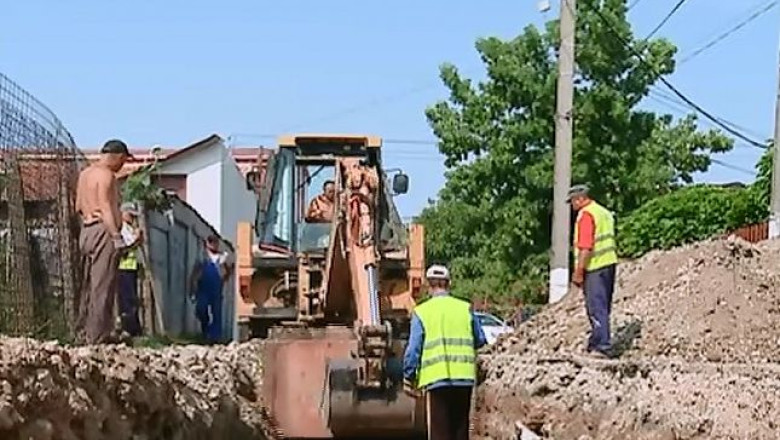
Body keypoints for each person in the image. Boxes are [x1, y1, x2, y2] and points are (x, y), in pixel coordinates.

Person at [403, 264, 487, 440]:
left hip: (437, 381)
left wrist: (409, 376)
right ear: (449, 284)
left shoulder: (422, 312)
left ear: (428, 285)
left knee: (440, 433)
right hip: (464, 380)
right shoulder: (464, 308)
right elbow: (480, 340)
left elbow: (413, 349)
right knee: (460, 431)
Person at [75, 139, 132, 344]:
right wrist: (116, 236)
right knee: (102, 286)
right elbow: (106, 207)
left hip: (87, 231)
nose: (123, 166)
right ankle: (97, 338)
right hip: (103, 232)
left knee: (87, 286)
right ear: (116, 156)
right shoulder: (107, 176)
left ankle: (82, 332)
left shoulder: (84, 175)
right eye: (123, 161)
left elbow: (79, 206)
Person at [568, 184, 618, 359]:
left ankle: (602, 345)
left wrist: (579, 271)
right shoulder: (604, 212)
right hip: (609, 264)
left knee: (596, 307)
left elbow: (585, 246)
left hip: (595, 266)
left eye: (573, 201)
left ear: (580, 199)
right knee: (603, 306)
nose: (572, 206)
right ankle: (596, 340)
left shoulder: (586, 215)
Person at [189, 235, 233, 343]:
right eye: (210, 242)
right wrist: (192, 289)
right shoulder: (202, 256)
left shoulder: (222, 257)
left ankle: (214, 338)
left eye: (215, 242)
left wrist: (223, 280)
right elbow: (194, 273)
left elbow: (229, 270)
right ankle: (206, 330)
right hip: (203, 287)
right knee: (201, 309)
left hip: (216, 288)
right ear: (207, 243)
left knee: (216, 313)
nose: (213, 244)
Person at [117, 202, 144, 337]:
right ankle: (128, 328)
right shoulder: (121, 229)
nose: (133, 218)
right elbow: (124, 249)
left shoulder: (130, 228)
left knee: (132, 299)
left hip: (132, 267)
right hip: (123, 268)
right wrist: (136, 241)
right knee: (127, 300)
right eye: (131, 215)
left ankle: (134, 327)